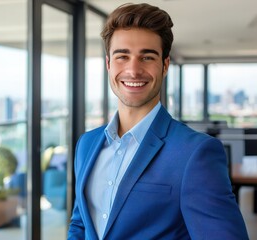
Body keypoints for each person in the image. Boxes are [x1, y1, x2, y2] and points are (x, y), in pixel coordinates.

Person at [68, 3, 248, 240]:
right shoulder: (87, 144)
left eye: (147, 57)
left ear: (164, 65)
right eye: (122, 56)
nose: (133, 70)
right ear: (108, 64)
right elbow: (80, 225)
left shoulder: (196, 152)